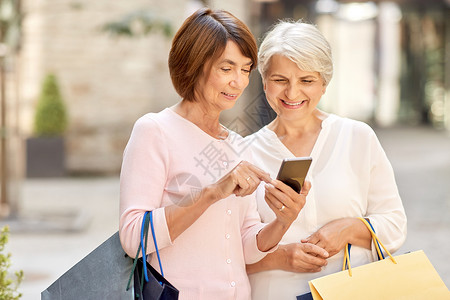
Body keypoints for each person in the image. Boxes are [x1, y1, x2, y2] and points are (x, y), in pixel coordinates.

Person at [119, 9, 310, 300]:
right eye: (226, 68)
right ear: (194, 65)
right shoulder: (155, 131)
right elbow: (134, 238)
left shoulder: (236, 143)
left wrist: (283, 221)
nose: (239, 81)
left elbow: (245, 245)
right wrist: (211, 193)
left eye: (246, 69)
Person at [245, 20, 407, 299]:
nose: (292, 93)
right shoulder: (244, 153)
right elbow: (225, 253)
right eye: (280, 80)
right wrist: (280, 257)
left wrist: (349, 229)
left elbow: (395, 226)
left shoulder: (357, 137)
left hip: (354, 292)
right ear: (264, 81)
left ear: (324, 83)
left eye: (306, 80)